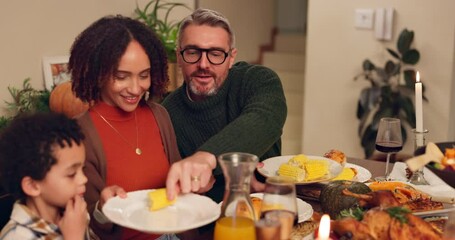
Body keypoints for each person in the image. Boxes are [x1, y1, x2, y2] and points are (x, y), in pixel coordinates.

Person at [69, 15, 201, 239]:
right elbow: (88, 226)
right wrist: (102, 208)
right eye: (121, 77)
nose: (135, 88)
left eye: (144, 76)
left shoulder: (159, 115)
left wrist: (193, 182)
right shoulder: (79, 134)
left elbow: (180, 188)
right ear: (98, 74)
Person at [162, 8, 287, 204]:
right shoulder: (167, 113)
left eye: (216, 53)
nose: (204, 64)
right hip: (209, 222)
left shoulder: (258, 80)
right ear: (179, 56)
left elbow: (266, 119)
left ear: (231, 58)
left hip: (268, 207)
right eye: (193, 52)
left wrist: (206, 158)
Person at [0, 112, 92, 239]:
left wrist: (102, 209)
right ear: (32, 186)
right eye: (71, 174)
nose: (84, 179)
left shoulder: (73, 212)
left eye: (83, 169)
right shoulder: (16, 236)